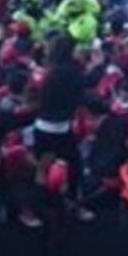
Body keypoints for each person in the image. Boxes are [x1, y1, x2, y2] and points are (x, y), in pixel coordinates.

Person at [32, 35, 93, 221]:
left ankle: (43, 208)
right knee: (75, 169)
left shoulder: (48, 71)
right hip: (59, 129)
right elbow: (85, 97)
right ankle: (74, 206)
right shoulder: (71, 74)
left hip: (42, 127)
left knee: (42, 168)